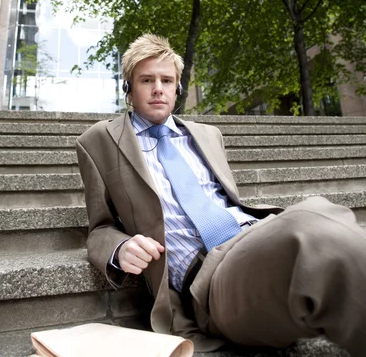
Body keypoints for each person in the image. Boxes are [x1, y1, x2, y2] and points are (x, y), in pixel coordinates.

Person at [76, 34, 366, 356]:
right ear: (128, 88)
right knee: (313, 226)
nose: (158, 88)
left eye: (167, 80)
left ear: (177, 89)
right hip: (208, 279)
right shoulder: (99, 140)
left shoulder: (206, 134)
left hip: (252, 237)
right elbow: (99, 227)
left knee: (327, 216)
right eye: (147, 80)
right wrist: (120, 247)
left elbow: (227, 200)